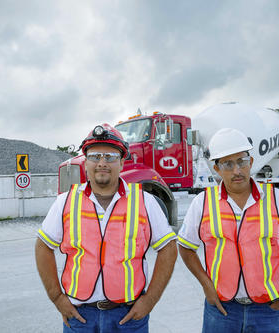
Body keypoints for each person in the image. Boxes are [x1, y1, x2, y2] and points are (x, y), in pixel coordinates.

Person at [35, 123, 177, 332]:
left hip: (128, 317)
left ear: (121, 163)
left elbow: (168, 248)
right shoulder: (65, 202)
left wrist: (150, 300)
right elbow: (43, 247)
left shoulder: (145, 202)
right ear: (85, 164)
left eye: (110, 157)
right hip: (80, 316)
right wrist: (57, 297)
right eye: (95, 156)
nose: (102, 163)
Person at [177, 128, 279, 333]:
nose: (237, 171)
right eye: (228, 164)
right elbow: (185, 247)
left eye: (241, 161)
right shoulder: (202, 203)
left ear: (251, 162)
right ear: (217, 169)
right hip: (221, 309)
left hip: (268, 309)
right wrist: (206, 285)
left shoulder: (277, 199)